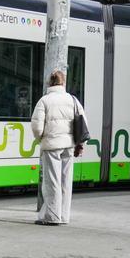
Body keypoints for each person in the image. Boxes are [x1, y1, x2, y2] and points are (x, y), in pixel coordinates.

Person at [31, 70, 87, 225]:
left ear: (49, 83)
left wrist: (41, 138)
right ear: (63, 82)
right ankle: (64, 216)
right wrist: (80, 144)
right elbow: (83, 123)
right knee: (65, 182)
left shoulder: (44, 101)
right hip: (69, 145)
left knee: (52, 182)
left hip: (51, 145)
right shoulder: (73, 100)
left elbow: (36, 127)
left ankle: (52, 217)